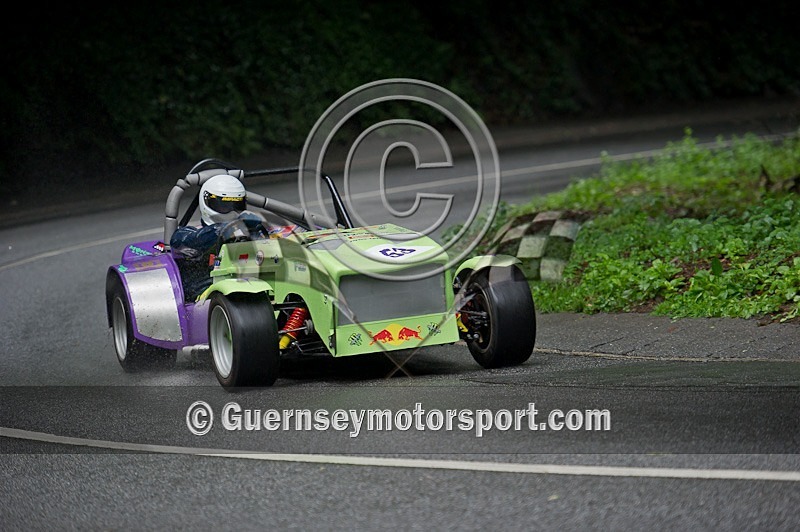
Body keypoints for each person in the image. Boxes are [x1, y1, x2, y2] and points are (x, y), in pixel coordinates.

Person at [170, 174, 268, 300]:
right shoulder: (186, 235)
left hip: (253, 288)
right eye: (224, 206)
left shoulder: (248, 231)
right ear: (207, 202)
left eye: (236, 205)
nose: (232, 212)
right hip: (206, 298)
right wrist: (228, 228)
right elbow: (188, 240)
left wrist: (256, 234)